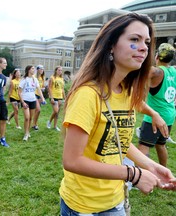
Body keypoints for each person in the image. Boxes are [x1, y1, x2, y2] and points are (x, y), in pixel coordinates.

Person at [59, 13, 176, 216]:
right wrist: (134, 174)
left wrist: (150, 165)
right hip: (84, 206)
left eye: (147, 42)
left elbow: (117, 140)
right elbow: (72, 160)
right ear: (111, 45)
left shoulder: (126, 91)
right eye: (134, 39)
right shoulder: (88, 94)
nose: (144, 47)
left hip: (115, 199)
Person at [137, 43, 176, 167]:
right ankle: (163, 170)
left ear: (157, 56)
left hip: (154, 116)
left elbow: (141, 74)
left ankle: (141, 178)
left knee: (144, 145)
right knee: (161, 144)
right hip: (169, 115)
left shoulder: (156, 72)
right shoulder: (173, 71)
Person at [18, 65, 46, 141]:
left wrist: (42, 98)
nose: (34, 70)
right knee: (27, 118)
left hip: (33, 100)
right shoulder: (24, 79)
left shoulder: (35, 79)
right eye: (32, 69)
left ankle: (28, 131)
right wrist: (22, 102)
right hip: (25, 100)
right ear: (28, 70)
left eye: (34, 69)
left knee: (30, 118)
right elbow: (19, 92)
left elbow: (39, 90)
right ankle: (26, 134)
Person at [47, 66, 65, 131]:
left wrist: (64, 97)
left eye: (61, 70)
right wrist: (51, 97)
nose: (60, 71)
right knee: (55, 111)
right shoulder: (52, 78)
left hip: (60, 96)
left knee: (57, 112)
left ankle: (55, 126)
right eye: (59, 70)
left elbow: (62, 89)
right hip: (53, 96)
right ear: (56, 71)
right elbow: (49, 88)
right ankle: (49, 121)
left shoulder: (61, 79)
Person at [32, 65, 45, 130]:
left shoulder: (42, 77)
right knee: (38, 109)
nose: (42, 70)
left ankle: (35, 123)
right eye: (41, 69)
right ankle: (34, 124)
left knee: (37, 111)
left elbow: (42, 86)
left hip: (39, 95)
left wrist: (43, 88)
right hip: (34, 94)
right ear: (37, 70)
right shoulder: (34, 77)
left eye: (43, 69)